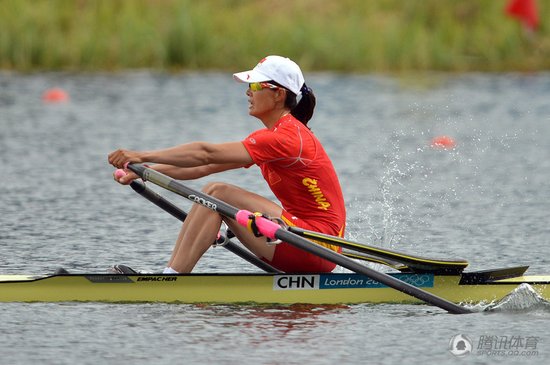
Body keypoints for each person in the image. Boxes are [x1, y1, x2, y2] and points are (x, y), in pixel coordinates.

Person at [108, 55, 346, 273]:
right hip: (303, 241)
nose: (248, 93)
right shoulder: (276, 136)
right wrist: (145, 173)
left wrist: (142, 156)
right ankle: (170, 274)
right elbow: (204, 167)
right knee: (215, 194)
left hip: (318, 246)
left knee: (218, 193)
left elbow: (206, 154)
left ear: (278, 94)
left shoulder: (286, 137)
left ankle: (172, 277)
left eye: (254, 86)